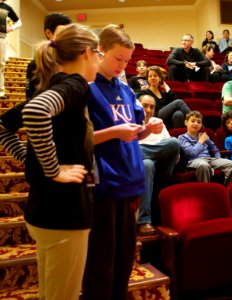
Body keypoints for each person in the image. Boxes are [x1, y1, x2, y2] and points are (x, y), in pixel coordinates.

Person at [0, 23, 100, 300]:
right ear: (85, 53)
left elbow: (3, 126)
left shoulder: (52, 85)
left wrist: (30, 158)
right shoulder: (75, 84)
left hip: (44, 210)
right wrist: (53, 168)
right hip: (64, 212)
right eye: (99, 54)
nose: (99, 60)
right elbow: (35, 112)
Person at [83, 24, 164, 300]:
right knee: (101, 261)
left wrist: (147, 128)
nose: (123, 65)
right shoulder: (87, 86)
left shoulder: (126, 89)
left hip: (130, 180)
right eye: (118, 59)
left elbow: (133, 131)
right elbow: (81, 139)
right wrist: (118, 132)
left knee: (123, 259)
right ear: (100, 51)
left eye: (127, 61)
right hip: (104, 182)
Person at [137, 94, 180, 236]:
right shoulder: (131, 121)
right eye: (145, 105)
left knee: (174, 142)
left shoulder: (158, 122)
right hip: (141, 167)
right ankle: (144, 221)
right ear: (137, 105)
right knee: (147, 164)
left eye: (152, 106)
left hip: (161, 166)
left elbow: (172, 149)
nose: (149, 110)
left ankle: (139, 152)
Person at [178, 111, 232, 185]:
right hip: (193, 161)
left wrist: (218, 159)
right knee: (204, 165)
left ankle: (228, 190)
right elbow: (192, 153)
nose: (196, 124)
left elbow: (215, 150)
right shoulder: (182, 137)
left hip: (209, 160)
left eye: (199, 122)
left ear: (201, 125)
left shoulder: (204, 136)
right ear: (186, 122)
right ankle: (206, 192)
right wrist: (201, 141)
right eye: (193, 121)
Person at [26, 12, 72, 100]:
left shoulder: (72, 58)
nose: (68, 37)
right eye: (63, 32)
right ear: (48, 33)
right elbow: (29, 91)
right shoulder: (35, 64)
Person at [0, 0, 21, 99]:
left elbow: (19, 22)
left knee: (1, 65)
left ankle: (1, 92)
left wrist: (11, 28)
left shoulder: (6, 7)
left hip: (1, 38)